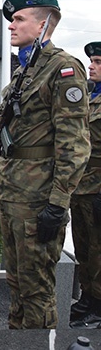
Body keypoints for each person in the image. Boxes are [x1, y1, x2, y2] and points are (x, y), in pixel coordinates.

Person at [0, 0, 90, 329]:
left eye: (19, 19)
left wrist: (57, 204)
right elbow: (5, 111)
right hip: (13, 189)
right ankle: (19, 339)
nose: (11, 25)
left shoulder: (63, 69)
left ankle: (37, 341)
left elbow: (75, 146)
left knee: (37, 290)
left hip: (38, 197)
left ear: (43, 24)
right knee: (17, 284)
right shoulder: (29, 67)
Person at [69, 41, 101, 328]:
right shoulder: (90, 96)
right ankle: (87, 298)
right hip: (81, 186)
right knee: (84, 247)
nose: (91, 65)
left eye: (98, 61)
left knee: (99, 250)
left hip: (98, 188)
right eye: (91, 60)